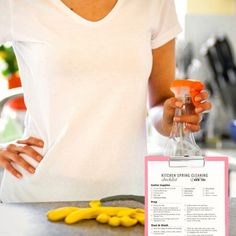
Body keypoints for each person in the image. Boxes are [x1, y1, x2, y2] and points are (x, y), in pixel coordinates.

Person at [0, 0, 211, 203]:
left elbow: (160, 103)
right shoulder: (16, 3)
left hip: (127, 198)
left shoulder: (154, 3)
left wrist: (172, 116)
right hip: (38, 198)